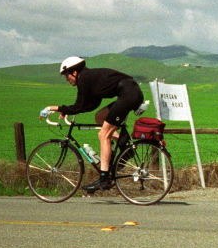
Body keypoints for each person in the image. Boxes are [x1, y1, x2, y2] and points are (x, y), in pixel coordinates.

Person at [40, 56, 144, 193]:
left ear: (74, 72)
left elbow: (79, 105)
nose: (66, 79)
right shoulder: (89, 78)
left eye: (66, 75)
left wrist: (56, 108)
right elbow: (89, 106)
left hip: (128, 94)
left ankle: (104, 179)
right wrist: (67, 110)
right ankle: (123, 145)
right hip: (130, 92)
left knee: (103, 135)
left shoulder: (84, 79)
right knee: (100, 117)